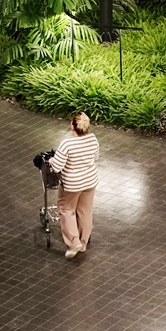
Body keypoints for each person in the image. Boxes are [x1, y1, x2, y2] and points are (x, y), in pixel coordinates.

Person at [49, 111, 99, 259]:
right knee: (85, 211)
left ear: (72, 126)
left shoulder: (67, 143)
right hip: (90, 181)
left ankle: (73, 242)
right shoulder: (93, 139)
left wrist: (51, 160)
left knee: (66, 209)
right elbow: (95, 157)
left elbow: (57, 167)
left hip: (72, 184)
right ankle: (83, 243)